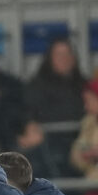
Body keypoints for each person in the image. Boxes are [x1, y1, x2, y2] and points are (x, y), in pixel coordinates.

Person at [25, 37, 87, 168]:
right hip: (49, 146)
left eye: (67, 54)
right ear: (50, 58)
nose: (64, 58)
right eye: (59, 54)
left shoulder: (85, 86)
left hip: (82, 142)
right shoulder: (36, 86)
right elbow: (30, 114)